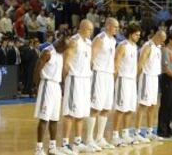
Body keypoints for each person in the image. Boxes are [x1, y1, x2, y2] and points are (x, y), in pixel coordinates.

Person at [33, 32, 70, 155]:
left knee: (54, 119)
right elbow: (37, 69)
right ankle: (39, 149)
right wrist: (38, 87)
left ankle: (52, 147)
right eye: (65, 47)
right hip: (47, 85)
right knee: (44, 118)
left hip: (56, 86)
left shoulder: (60, 53)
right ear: (59, 43)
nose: (66, 50)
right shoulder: (48, 52)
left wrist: (63, 85)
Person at [61, 20, 95, 154]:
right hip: (74, 79)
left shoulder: (88, 42)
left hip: (85, 80)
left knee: (81, 113)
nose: (91, 32)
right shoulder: (74, 41)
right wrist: (66, 80)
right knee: (70, 113)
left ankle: (77, 141)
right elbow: (66, 63)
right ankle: (64, 144)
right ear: (81, 28)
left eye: (92, 30)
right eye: (88, 30)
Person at [85, 18, 118, 150]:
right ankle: (88, 139)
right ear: (108, 26)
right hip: (98, 74)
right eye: (115, 26)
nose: (117, 29)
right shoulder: (100, 38)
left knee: (105, 108)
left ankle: (99, 138)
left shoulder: (113, 40)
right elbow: (91, 57)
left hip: (108, 75)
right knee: (95, 107)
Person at [111, 24, 142, 146]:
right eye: (137, 35)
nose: (139, 37)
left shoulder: (135, 46)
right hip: (123, 79)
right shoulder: (122, 45)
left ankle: (125, 134)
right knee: (120, 109)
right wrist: (114, 80)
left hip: (131, 80)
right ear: (131, 34)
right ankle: (114, 136)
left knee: (129, 108)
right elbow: (116, 63)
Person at [134, 30, 167, 143]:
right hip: (146, 78)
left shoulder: (157, 47)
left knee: (153, 106)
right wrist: (135, 79)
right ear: (157, 36)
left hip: (154, 78)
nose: (163, 43)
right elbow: (140, 63)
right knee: (143, 105)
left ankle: (149, 132)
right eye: (162, 40)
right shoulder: (147, 46)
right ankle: (136, 133)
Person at [157, 33, 172, 138]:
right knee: (166, 105)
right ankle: (162, 129)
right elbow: (166, 68)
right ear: (170, 40)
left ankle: (168, 127)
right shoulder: (165, 50)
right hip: (168, 78)